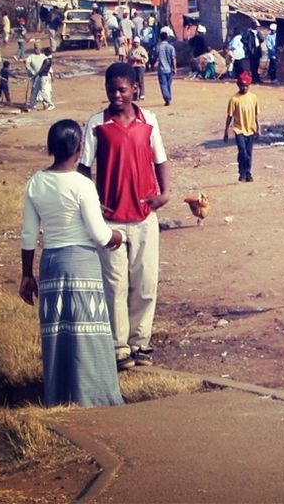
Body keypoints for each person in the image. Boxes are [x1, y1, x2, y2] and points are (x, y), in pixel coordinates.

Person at [19, 119, 125, 407]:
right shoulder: (82, 184)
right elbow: (99, 233)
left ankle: (60, 396)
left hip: (51, 262)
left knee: (59, 332)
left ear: (51, 148)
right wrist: (118, 235)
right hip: (82, 262)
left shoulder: (36, 182)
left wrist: (26, 274)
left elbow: (29, 234)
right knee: (88, 331)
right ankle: (95, 396)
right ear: (79, 148)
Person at [79, 61, 171, 370]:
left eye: (122, 89)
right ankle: (119, 349)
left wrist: (164, 193)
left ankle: (140, 344)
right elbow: (83, 168)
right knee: (114, 286)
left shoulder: (149, 121)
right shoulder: (96, 124)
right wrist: (92, 203)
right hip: (111, 222)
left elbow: (161, 159)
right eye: (111, 89)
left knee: (145, 284)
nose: (116, 95)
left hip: (144, 216)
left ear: (135, 89)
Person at [224, 72, 261, 182]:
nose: (244, 88)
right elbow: (229, 116)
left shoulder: (253, 98)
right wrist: (226, 131)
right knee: (242, 151)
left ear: (249, 86)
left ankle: (248, 173)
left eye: (246, 86)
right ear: (238, 85)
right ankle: (242, 171)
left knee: (249, 153)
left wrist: (258, 129)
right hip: (238, 129)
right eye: (242, 85)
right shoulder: (234, 99)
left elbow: (256, 115)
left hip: (250, 129)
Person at [156, 30, 176, 106]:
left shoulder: (158, 47)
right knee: (168, 85)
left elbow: (156, 57)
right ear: (167, 38)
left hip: (161, 69)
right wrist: (175, 68)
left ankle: (167, 98)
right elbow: (173, 58)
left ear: (160, 38)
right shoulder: (171, 47)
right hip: (169, 69)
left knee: (163, 85)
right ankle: (168, 97)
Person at [24, 44, 46, 109]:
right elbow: (27, 64)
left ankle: (45, 103)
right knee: (34, 90)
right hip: (35, 76)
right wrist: (32, 72)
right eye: (36, 48)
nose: (37, 50)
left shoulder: (43, 56)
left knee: (43, 90)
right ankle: (33, 104)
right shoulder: (31, 57)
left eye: (38, 48)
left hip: (42, 76)